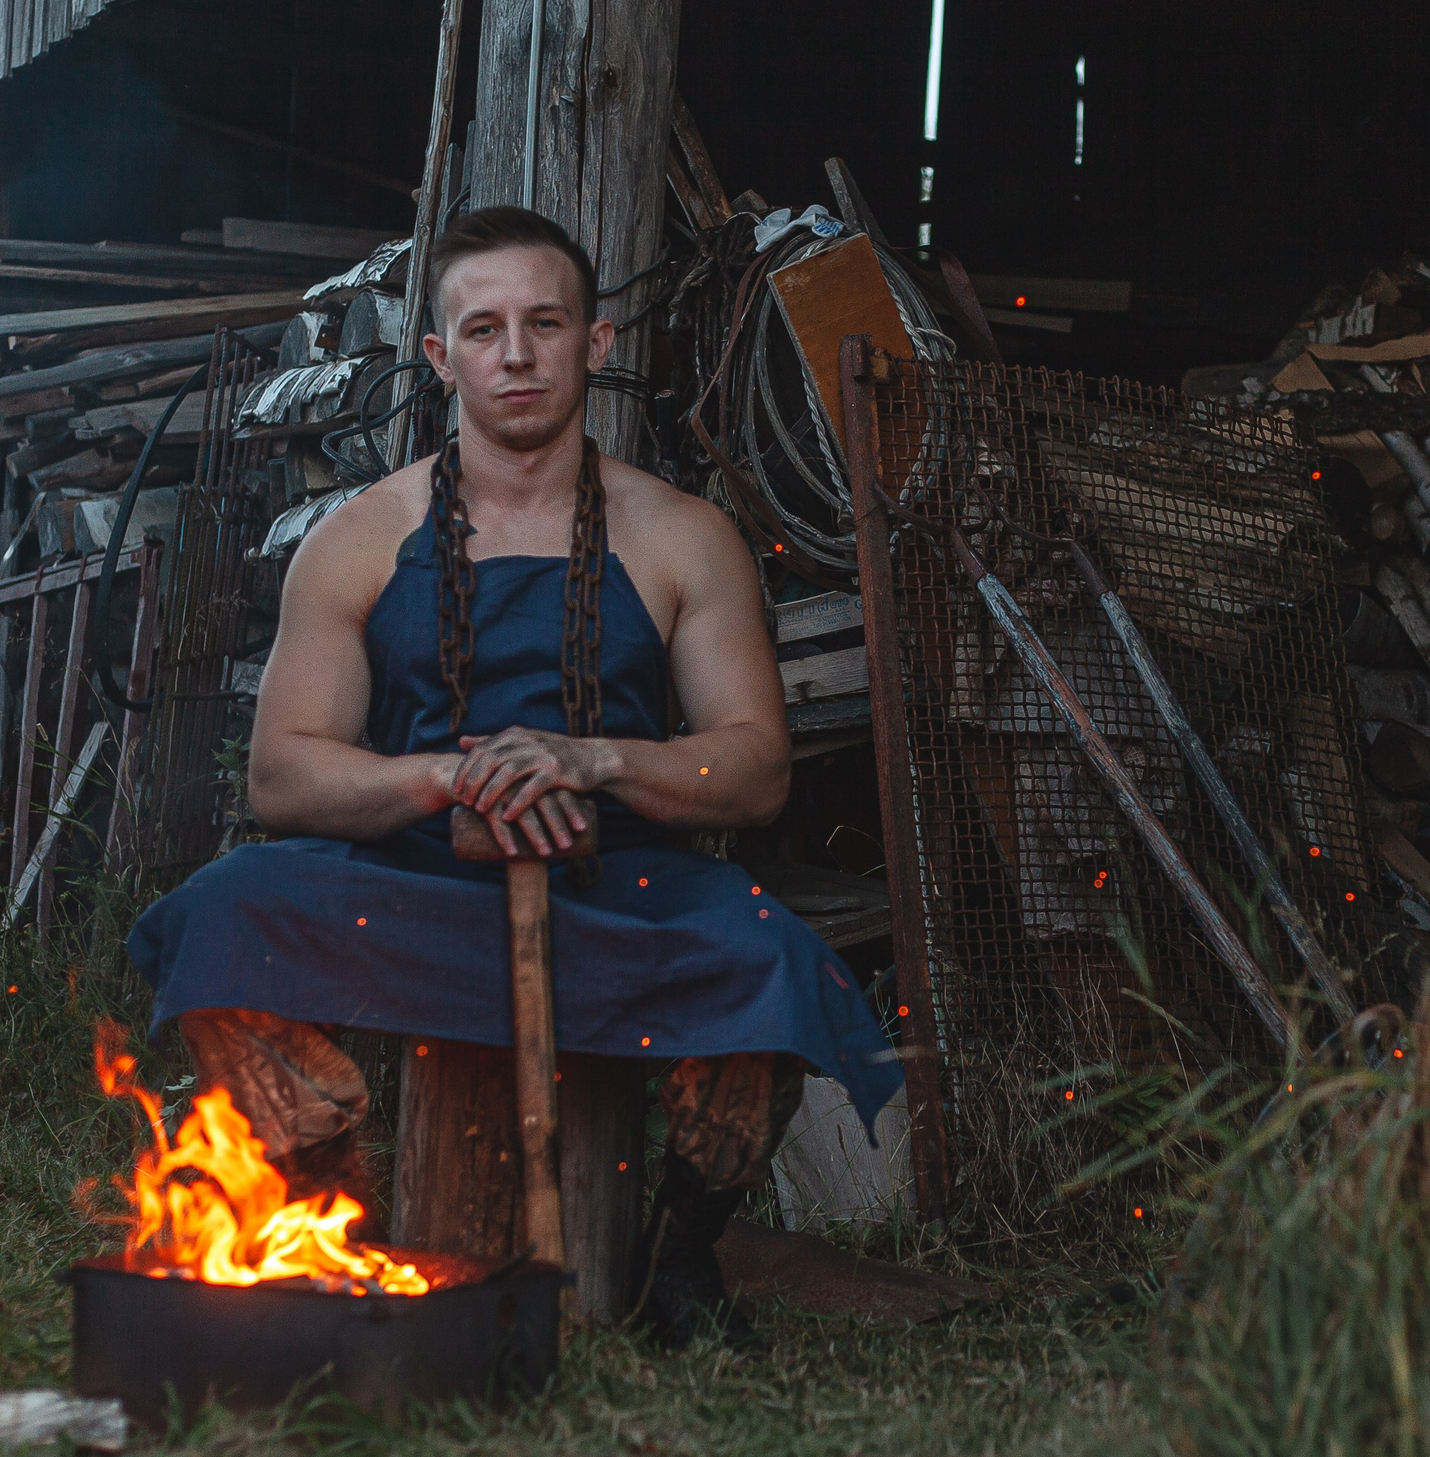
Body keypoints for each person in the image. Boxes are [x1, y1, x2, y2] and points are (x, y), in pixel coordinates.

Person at [126, 206, 902, 1346]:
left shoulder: (683, 537)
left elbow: (752, 771)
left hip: (621, 887)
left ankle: (673, 1265)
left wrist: (591, 758)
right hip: (406, 879)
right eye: (483, 329)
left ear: (593, 342)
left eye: (545, 323)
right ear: (439, 358)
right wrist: (450, 778)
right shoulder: (359, 538)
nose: (517, 354)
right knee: (217, 916)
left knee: (772, 963)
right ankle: (324, 1212)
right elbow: (284, 779)